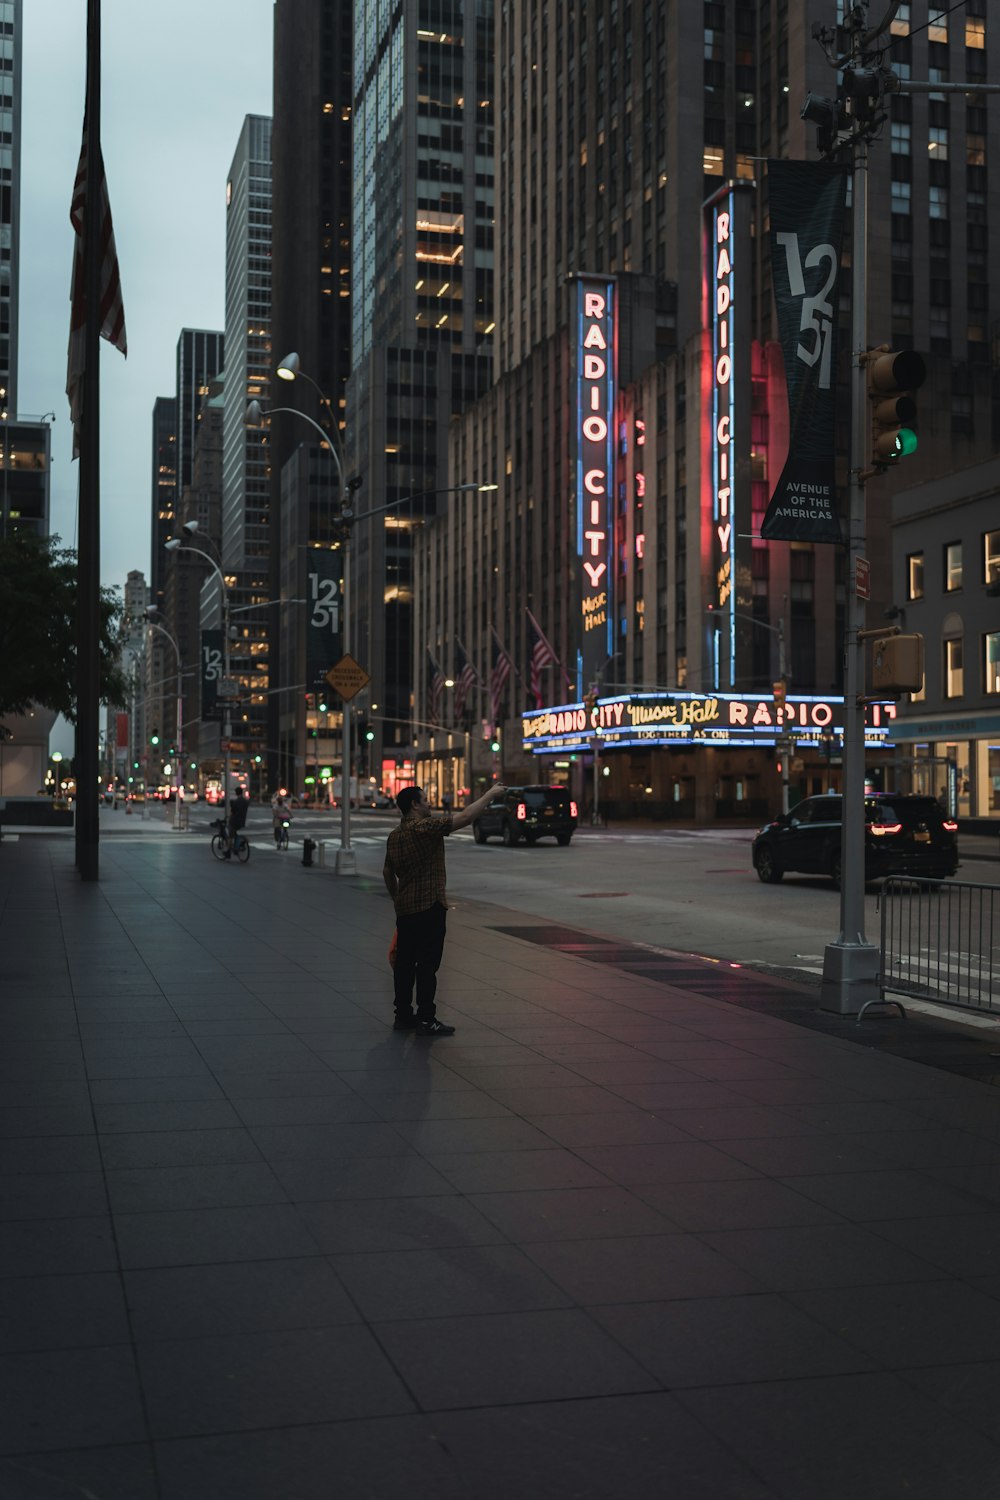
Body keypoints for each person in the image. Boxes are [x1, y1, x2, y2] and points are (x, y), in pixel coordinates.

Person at [383, 781, 506, 1036]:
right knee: (427, 965)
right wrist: (490, 794)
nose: (429, 803)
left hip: (405, 911)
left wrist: (397, 898)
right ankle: (427, 1018)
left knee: (404, 965)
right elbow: (465, 817)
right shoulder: (425, 828)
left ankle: (403, 1016)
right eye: (425, 799)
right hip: (429, 906)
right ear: (415, 805)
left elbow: (387, 871)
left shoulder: (394, 836)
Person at [226, 785, 249, 859]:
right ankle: (239, 842)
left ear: (236, 793)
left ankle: (228, 852)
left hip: (234, 821)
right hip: (242, 821)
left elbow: (233, 812)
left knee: (230, 836)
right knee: (235, 833)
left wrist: (229, 818)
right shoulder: (245, 801)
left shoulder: (235, 802)